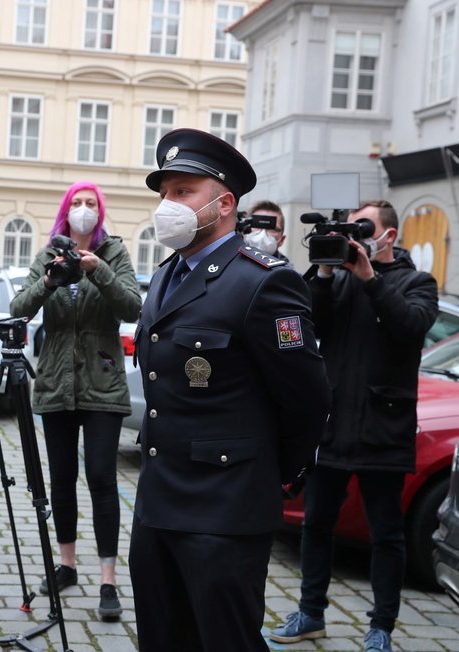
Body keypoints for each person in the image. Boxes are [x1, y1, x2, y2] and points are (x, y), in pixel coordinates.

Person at [129, 128, 330, 651]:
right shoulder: (166, 274)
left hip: (224, 509)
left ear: (223, 202)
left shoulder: (263, 281)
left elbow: (306, 398)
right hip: (158, 503)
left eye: (182, 191)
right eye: (164, 192)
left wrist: (268, 475)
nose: (167, 204)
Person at [270, 200, 439, 652]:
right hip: (335, 426)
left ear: (389, 235)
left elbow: (411, 326)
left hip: (383, 427)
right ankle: (310, 614)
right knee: (316, 524)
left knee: (386, 532)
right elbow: (308, 323)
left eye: (366, 227)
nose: (359, 236)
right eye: (354, 228)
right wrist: (325, 272)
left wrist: (369, 277)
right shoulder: (339, 280)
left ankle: (381, 626)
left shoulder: (417, 282)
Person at [9, 181, 141, 622]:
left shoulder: (115, 253)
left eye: (91, 204)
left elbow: (131, 308)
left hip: (102, 383)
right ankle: (67, 565)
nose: (83, 210)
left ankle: (108, 579)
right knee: (61, 479)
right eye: (76, 203)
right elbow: (19, 307)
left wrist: (98, 268)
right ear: (65, 211)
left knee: (102, 478)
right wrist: (49, 280)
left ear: (100, 213)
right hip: (54, 383)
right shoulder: (48, 254)